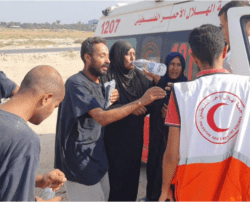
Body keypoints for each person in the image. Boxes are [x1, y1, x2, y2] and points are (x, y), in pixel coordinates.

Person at [159, 24, 250, 202]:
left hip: (191, 193)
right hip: (236, 194)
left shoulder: (181, 94)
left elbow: (171, 155)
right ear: (225, 51)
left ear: (192, 57)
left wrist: (164, 190)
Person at [55, 37, 166, 202]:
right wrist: (136, 104)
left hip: (100, 160)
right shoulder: (77, 84)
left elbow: (106, 105)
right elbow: (102, 116)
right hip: (84, 162)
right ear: (87, 57)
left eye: (108, 56)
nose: (108, 60)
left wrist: (155, 81)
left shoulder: (100, 82)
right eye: (102, 56)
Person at [103, 40, 163, 202]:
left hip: (134, 140)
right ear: (117, 56)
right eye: (127, 54)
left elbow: (153, 100)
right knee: (114, 183)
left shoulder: (138, 77)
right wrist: (132, 107)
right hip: (114, 140)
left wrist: (155, 79)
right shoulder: (108, 76)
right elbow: (101, 109)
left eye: (134, 54)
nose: (132, 58)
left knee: (131, 179)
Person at [0, 65, 67, 202]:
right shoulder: (24, 139)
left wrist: (41, 180)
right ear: (46, 98)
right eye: (54, 107)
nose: (51, 112)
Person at [142, 52, 187, 202]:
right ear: (166, 66)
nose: (175, 68)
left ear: (183, 67)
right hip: (156, 140)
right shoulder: (158, 85)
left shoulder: (187, 87)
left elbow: (191, 116)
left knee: (169, 174)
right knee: (154, 170)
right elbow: (147, 106)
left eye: (178, 65)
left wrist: (171, 116)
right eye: (172, 64)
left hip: (175, 143)